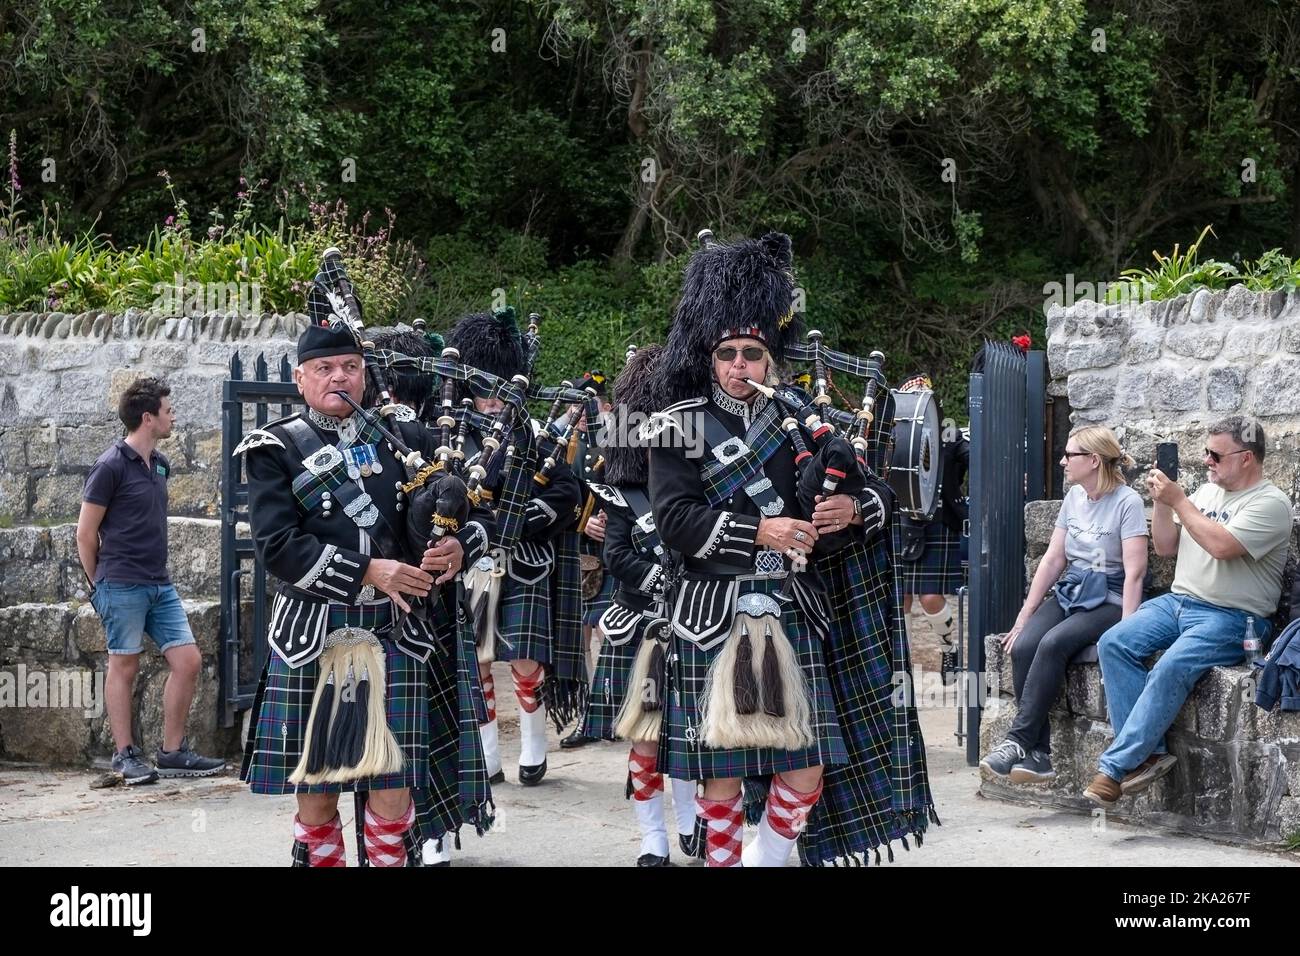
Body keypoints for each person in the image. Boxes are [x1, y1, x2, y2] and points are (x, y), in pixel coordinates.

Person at [237, 320, 492, 866]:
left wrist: (461, 547)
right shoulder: (273, 449)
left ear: (365, 375)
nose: (339, 378)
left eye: (350, 367)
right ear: (301, 379)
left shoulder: (408, 439)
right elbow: (277, 546)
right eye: (325, 369)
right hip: (314, 634)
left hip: (396, 630)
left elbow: (481, 512)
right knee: (318, 784)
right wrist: (367, 571)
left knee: (394, 782)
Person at [648, 231, 862, 867]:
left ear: (771, 359)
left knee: (805, 770)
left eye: (752, 353)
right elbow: (675, 522)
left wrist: (849, 509)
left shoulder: (804, 421)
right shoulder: (677, 425)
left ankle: (765, 860)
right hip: (712, 607)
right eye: (728, 354)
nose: (740, 365)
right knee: (721, 773)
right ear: (710, 359)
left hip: (791, 605)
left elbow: (867, 494)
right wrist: (760, 531)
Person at [1084, 416, 1292, 806]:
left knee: (1172, 666)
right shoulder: (1205, 493)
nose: (1207, 460)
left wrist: (1179, 500)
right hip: (1179, 602)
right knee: (1114, 642)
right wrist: (1163, 505)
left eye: (1215, 454)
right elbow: (1165, 547)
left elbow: (1222, 546)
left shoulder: (1271, 503)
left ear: (1246, 457)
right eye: (1205, 452)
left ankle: (1114, 768)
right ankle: (1149, 755)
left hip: (1233, 617)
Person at [572, 345, 703, 864]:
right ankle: (654, 838)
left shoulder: (702, 484)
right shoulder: (622, 492)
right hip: (640, 625)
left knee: (695, 733)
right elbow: (616, 554)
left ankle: (694, 823)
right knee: (645, 741)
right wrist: (659, 578)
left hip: (697, 622)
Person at [451, 307, 586, 787]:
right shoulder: (452, 433)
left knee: (525, 658)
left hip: (525, 561)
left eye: (498, 390)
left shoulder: (535, 433)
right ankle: (488, 751)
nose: (491, 401)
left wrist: (519, 519)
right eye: (483, 390)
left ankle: (533, 737)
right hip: (470, 563)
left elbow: (567, 493)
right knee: (478, 657)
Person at [77, 376, 225, 785]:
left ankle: (172, 752)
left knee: (188, 660)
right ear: (148, 417)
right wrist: (99, 587)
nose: (173, 414)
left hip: (159, 584)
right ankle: (124, 755)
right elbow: (85, 534)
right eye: (167, 408)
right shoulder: (109, 466)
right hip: (120, 583)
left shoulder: (160, 464)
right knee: (123, 665)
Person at [981, 426, 1147, 784]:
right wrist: (1025, 614)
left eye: (1069, 455)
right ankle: (1039, 755)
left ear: (1093, 460)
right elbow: (1053, 559)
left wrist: (1127, 629)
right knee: (1024, 644)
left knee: (1053, 644)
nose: (1062, 461)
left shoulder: (1127, 502)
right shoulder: (1074, 497)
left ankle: (1019, 741)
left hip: (1110, 596)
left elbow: (1135, 573)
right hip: (1072, 589)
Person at [891, 373, 969, 680]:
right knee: (901, 599)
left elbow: (969, 457)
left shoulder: (947, 434)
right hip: (900, 519)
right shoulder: (892, 431)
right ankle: (903, 664)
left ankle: (949, 649)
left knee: (930, 598)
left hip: (937, 520)